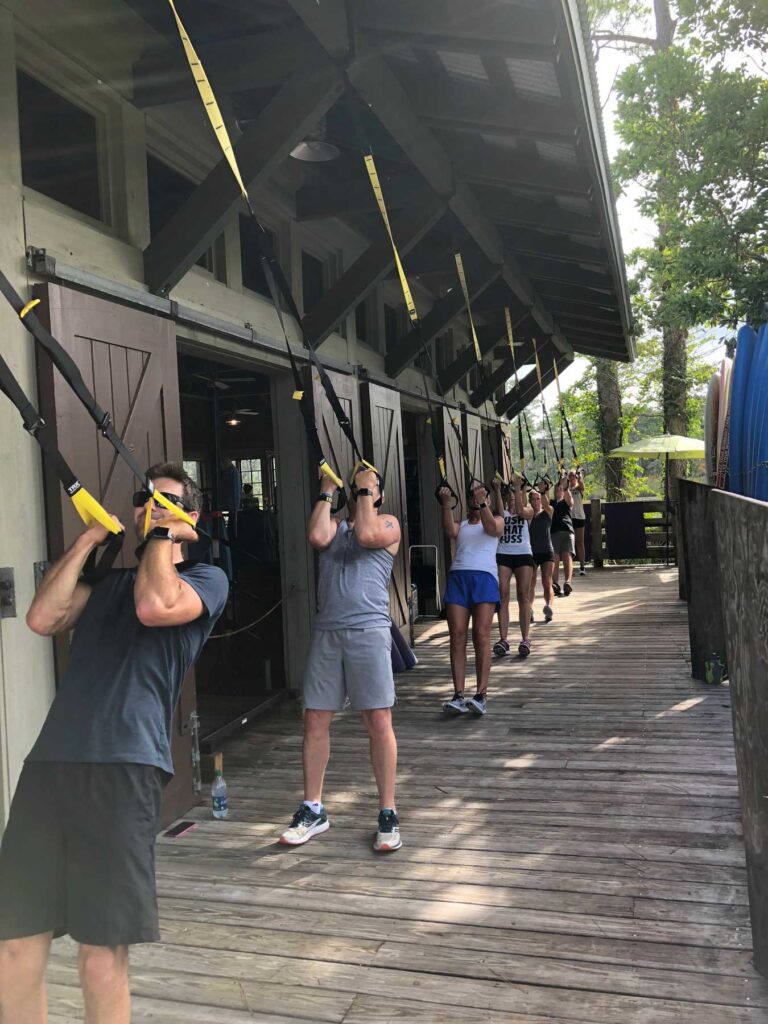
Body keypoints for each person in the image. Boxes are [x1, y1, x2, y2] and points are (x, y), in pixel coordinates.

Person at [0, 463, 228, 1024]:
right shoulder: (108, 584)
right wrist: (89, 539)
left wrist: (160, 534)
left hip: (125, 767)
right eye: (145, 499)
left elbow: (156, 606)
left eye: (168, 501)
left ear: (190, 518)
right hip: (51, 762)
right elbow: (40, 616)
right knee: (13, 946)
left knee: (100, 958)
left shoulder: (208, 580)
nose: (152, 506)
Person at [279, 467, 403, 853]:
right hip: (328, 631)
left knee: (377, 719)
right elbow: (316, 536)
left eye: (368, 487)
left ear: (378, 494)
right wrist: (327, 490)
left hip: (369, 631)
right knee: (314, 717)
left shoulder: (387, 523)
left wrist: (366, 488)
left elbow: (367, 535)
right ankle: (313, 808)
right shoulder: (333, 524)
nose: (360, 490)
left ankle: (388, 812)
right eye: (356, 485)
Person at [440, 484, 504, 715]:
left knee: (481, 635)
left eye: (481, 495)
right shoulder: (463, 525)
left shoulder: (497, 519)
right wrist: (447, 506)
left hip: (484, 578)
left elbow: (493, 529)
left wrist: (484, 502)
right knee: (457, 635)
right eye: (474, 497)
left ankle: (481, 694)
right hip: (459, 576)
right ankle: (458, 694)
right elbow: (449, 530)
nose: (476, 500)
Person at [492, 475, 535, 658]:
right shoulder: (503, 514)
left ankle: (525, 639)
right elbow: (500, 515)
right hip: (504, 554)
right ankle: (503, 638)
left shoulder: (528, 510)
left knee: (523, 595)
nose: (511, 501)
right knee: (503, 594)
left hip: (523, 554)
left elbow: (519, 509)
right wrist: (496, 490)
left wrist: (518, 488)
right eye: (508, 498)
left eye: (513, 497)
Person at [528, 485, 555, 622]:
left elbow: (546, 504)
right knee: (531, 582)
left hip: (547, 551)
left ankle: (548, 607)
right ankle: (529, 609)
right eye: (534, 499)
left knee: (546, 581)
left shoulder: (548, 512)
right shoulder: (527, 516)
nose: (537, 501)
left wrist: (543, 491)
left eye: (538, 499)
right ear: (530, 501)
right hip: (532, 552)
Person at [550, 474, 575, 597]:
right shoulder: (551, 503)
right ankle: (554, 583)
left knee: (567, 555)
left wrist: (566, 487)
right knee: (555, 558)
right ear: (554, 492)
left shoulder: (566, 501)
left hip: (567, 530)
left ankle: (568, 582)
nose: (559, 491)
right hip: (554, 532)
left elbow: (570, 501)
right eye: (557, 489)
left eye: (561, 489)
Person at [568, 469, 587, 574]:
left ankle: (582, 566)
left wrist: (580, 476)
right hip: (569, 518)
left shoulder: (579, 488)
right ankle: (570, 567)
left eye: (573, 475)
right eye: (570, 475)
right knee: (570, 543)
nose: (571, 477)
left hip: (579, 517)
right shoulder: (566, 488)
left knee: (580, 542)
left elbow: (582, 485)